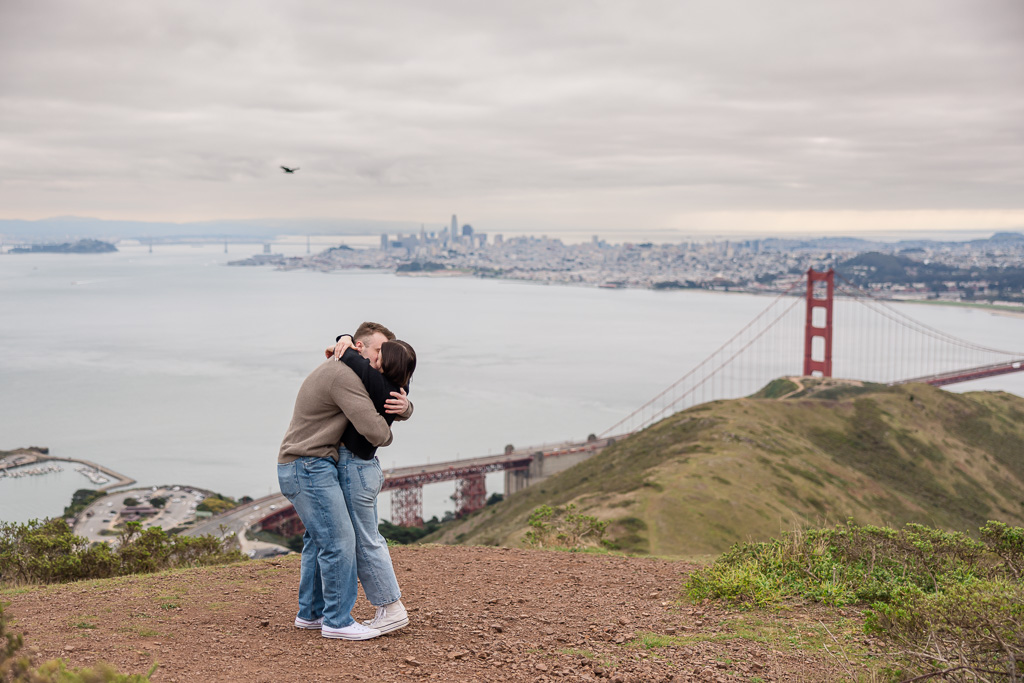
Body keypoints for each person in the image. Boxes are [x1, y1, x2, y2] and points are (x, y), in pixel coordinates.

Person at [277, 322, 411, 640]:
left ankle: (310, 614)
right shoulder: (343, 376)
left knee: (317, 541)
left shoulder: (348, 370)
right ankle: (337, 622)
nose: (383, 359)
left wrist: (406, 407)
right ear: (359, 348)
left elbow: (386, 393)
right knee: (341, 542)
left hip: (305, 465)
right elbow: (378, 432)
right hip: (309, 467)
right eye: (380, 351)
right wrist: (394, 419)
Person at [332, 337, 417, 634]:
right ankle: (387, 606)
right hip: (364, 469)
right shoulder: (396, 389)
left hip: (354, 467)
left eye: (382, 353)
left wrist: (344, 338)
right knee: (369, 538)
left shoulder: (378, 384)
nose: (375, 356)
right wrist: (408, 405)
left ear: (387, 363)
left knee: (366, 540)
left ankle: (391, 607)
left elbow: (350, 359)